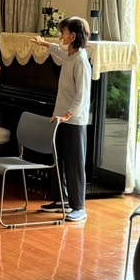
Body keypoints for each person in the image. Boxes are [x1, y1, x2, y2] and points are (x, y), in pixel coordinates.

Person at [31, 15, 92, 222]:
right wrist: (44, 44)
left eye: (62, 33)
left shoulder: (81, 61)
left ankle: (79, 208)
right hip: (60, 118)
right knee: (59, 160)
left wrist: (68, 115)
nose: (60, 36)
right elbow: (58, 51)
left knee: (74, 165)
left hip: (73, 120)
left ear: (72, 36)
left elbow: (82, 95)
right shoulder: (69, 54)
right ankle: (61, 200)